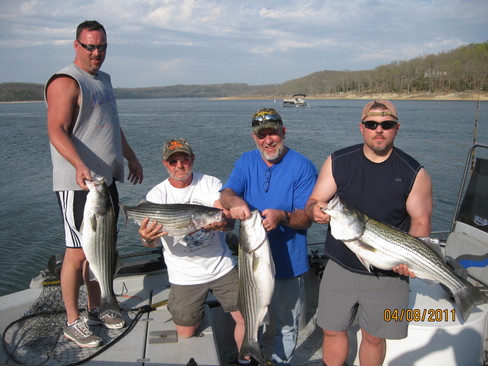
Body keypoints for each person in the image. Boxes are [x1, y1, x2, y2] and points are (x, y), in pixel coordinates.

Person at [305, 100, 433, 366]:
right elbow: (315, 200)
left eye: (386, 125)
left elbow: (420, 223)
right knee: (332, 329)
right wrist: (314, 210)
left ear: (397, 129)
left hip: (389, 271)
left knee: (374, 337)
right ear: (361, 128)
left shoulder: (414, 173)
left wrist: (412, 262)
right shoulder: (338, 161)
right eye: (371, 124)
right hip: (341, 264)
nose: (379, 130)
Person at [46, 20, 144, 348]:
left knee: (99, 252)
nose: (96, 53)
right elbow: (56, 129)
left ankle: (98, 307)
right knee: (76, 253)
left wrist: (130, 156)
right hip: (79, 185)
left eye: (102, 46)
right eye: (90, 46)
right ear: (77, 45)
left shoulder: (104, 80)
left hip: (105, 181)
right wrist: (78, 165)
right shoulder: (66, 81)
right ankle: (73, 321)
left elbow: (111, 126)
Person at [220, 108, 318, 365]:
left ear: (283, 132)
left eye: (272, 133)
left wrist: (282, 217)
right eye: (261, 135)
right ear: (254, 137)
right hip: (251, 268)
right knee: (254, 317)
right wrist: (234, 201)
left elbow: (307, 217)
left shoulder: (303, 166)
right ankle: (249, 356)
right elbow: (227, 192)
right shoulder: (246, 161)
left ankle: (278, 362)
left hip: (289, 265)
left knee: (286, 325)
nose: (268, 140)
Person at [137, 138, 249, 364]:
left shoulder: (210, 183)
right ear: (165, 164)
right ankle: (189, 307)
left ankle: (246, 360)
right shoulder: (156, 196)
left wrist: (222, 222)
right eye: (173, 161)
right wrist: (146, 239)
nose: (179, 165)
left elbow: (226, 222)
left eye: (184, 159)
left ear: (192, 160)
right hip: (184, 274)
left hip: (221, 267)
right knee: (185, 332)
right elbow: (151, 243)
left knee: (247, 319)